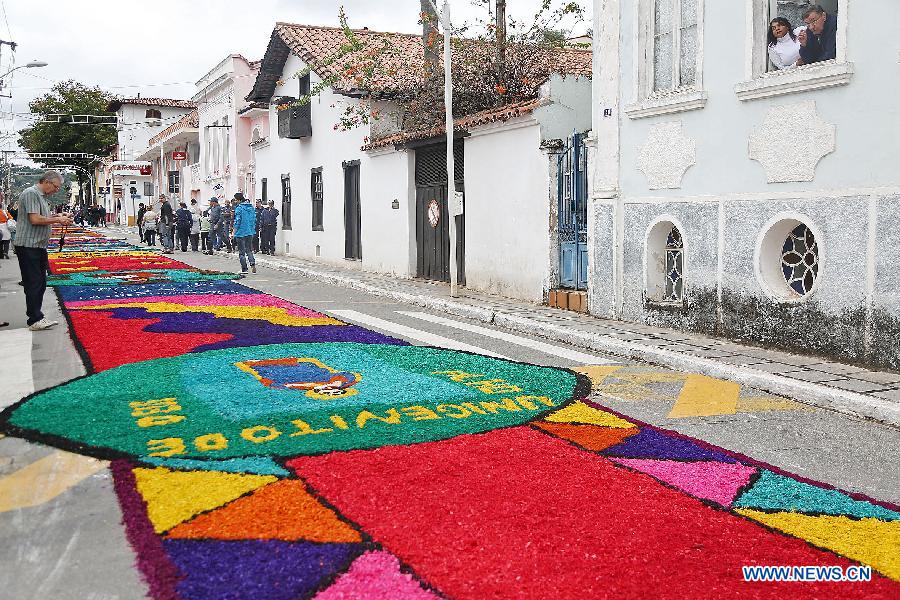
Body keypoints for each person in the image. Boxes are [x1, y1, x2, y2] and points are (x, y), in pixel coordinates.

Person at [14, 170, 73, 330]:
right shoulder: (31, 194)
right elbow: (35, 219)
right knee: (34, 282)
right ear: (47, 181)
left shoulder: (40, 197)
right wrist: (57, 219)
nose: (56, 190)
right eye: (56, 186)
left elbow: (41, 216)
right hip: (29, 245)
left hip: (37, 245)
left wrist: (58, 215)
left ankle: (37, 316)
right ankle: (34, 319)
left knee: (40, 282)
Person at [231, 192, 256, 274]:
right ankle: (252, 265)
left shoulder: (239, 208)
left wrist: (234, 231)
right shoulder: (251, 207)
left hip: (240, 232)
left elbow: (237, 221)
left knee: (241, 252)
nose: (235, 201)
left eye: (235, 200)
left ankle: (244, 269)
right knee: (249, 250)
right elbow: (254, 220)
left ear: (239, 200)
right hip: (250, 231)